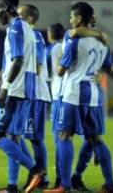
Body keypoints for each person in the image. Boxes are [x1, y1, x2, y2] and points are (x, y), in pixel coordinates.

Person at [44, 2, 113, 193]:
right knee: (96, 140)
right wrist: (96, 71)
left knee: (64, 136)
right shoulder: (103, 41)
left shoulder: (73, 39)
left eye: (71, 17)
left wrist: (61, 63)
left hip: (74, 92)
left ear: (78, 19)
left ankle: (65, 185)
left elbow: (61, 71)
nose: (70, 21)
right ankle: (110, 184)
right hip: (93, 94)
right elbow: (110, 68)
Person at [0, 0, 44, 193]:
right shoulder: (27, 28)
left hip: (14, 90)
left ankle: (35, 170)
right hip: (25, 87)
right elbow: (20, 60)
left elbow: (18, 59)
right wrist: (4, 73)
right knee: (13, 138)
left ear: (6, 8)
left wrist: (5, 87)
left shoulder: (15, 29)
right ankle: (12, 186)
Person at [17, 4, 51, 189]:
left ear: (29, 19)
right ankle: (36, 173)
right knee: (18, 134)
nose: (17, 19)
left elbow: (37, 66)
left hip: (35, 93)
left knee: (34, 138)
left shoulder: (34, 35)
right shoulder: (27, 35)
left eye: (20, 15)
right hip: (28, 93)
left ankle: (40, 177)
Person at [46, 22, 65, 188]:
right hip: (71, 95)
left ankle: (61, 180)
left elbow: (42, 71)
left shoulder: (51, 49)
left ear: (50, 34)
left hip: (58, 96)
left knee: (59, 139)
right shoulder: (68, 44)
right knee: (66, 137)